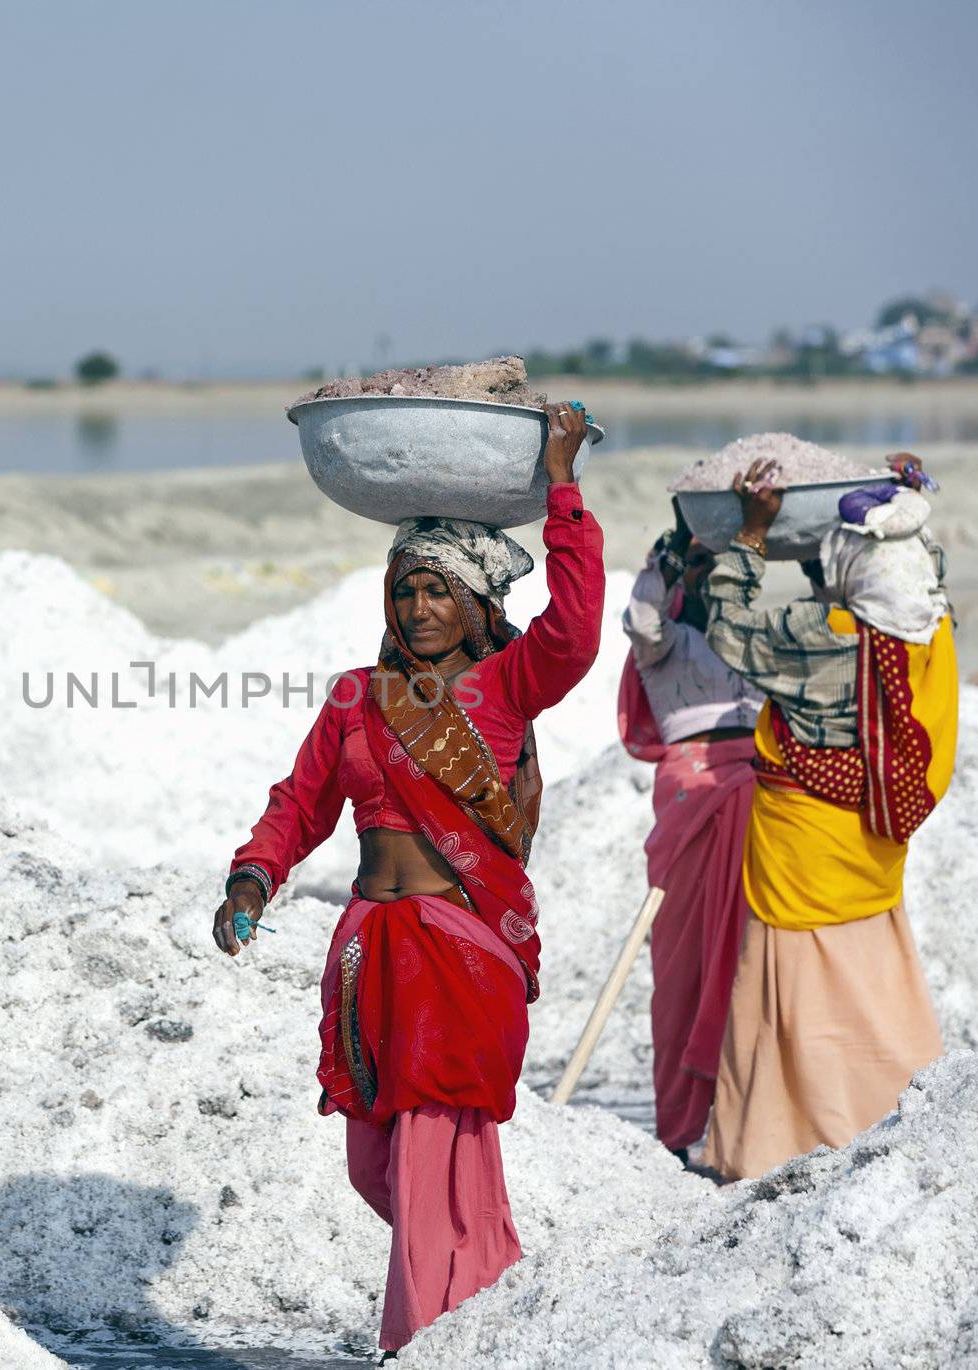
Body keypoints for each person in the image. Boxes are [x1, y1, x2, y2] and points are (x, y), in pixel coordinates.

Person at [214, 403, 604, 1357]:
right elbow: (301, 802)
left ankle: (426, 1337)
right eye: (405, 592)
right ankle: (479, 1290)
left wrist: (563, 489)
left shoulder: (506, 686)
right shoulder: (357, 697)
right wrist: (255, 877)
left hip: (456, 951)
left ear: (476, 607)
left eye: (438, 592)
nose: (419, 609)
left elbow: (578, 630)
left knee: (432, 1152)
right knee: (375, 1160)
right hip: (369, 951)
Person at [698, 453, 958, 1180]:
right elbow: (907, 564)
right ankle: (895, 1107)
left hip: (802, 857)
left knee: (801, 998)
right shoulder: (929, 632)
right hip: (869, 855)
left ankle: (786, 1136)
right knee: (874, 985)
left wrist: (751, 534)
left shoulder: (825, 635)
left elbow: (728, 628)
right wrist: (899, 493)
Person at [618, 505, 763, 1161]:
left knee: (753, 961)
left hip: (758, 796)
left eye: (717, 564)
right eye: (699, 564)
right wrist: (667, 559)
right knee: (681, 969)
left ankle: (751, 1121)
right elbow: (641, 619)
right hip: (690, 794)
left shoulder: (756, 638)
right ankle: (681, 1127)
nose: (710, 575)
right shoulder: (664, 641)